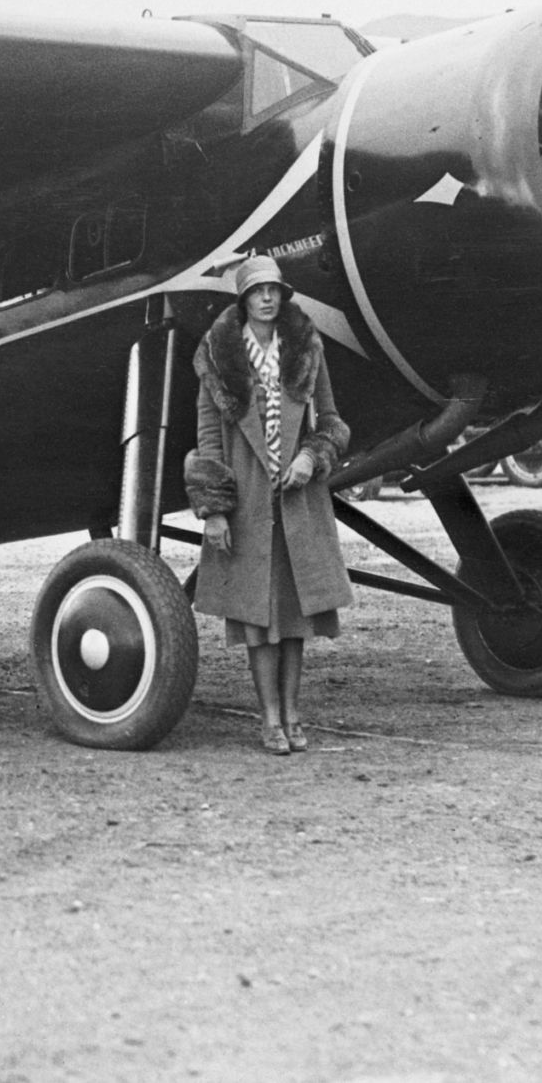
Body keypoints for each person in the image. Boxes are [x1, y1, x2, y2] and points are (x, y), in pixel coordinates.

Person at [184, 255, 352, 755]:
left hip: (299, 501)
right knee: (257, 619)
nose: (267, 298)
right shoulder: (217, 359)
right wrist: (214, 511)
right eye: (257, 291)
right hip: (247, 503)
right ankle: (270, 720)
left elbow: (333, 422)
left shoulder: (306, 349)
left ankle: (295, 715)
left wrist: (311, 457)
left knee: (296, 615)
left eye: (274, 289)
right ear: (243, 299)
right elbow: (208, 438)